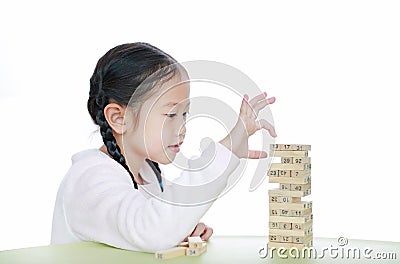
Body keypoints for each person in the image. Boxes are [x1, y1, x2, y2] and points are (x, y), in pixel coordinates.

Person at [50, 42, 277, 253]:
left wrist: (181, 230)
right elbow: (152, 231)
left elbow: (157, 227)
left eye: (184, 113)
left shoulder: (148, 173)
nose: (182, 128)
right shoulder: (89, 179)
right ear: (119, 118)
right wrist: (226, 148)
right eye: (170, 114)